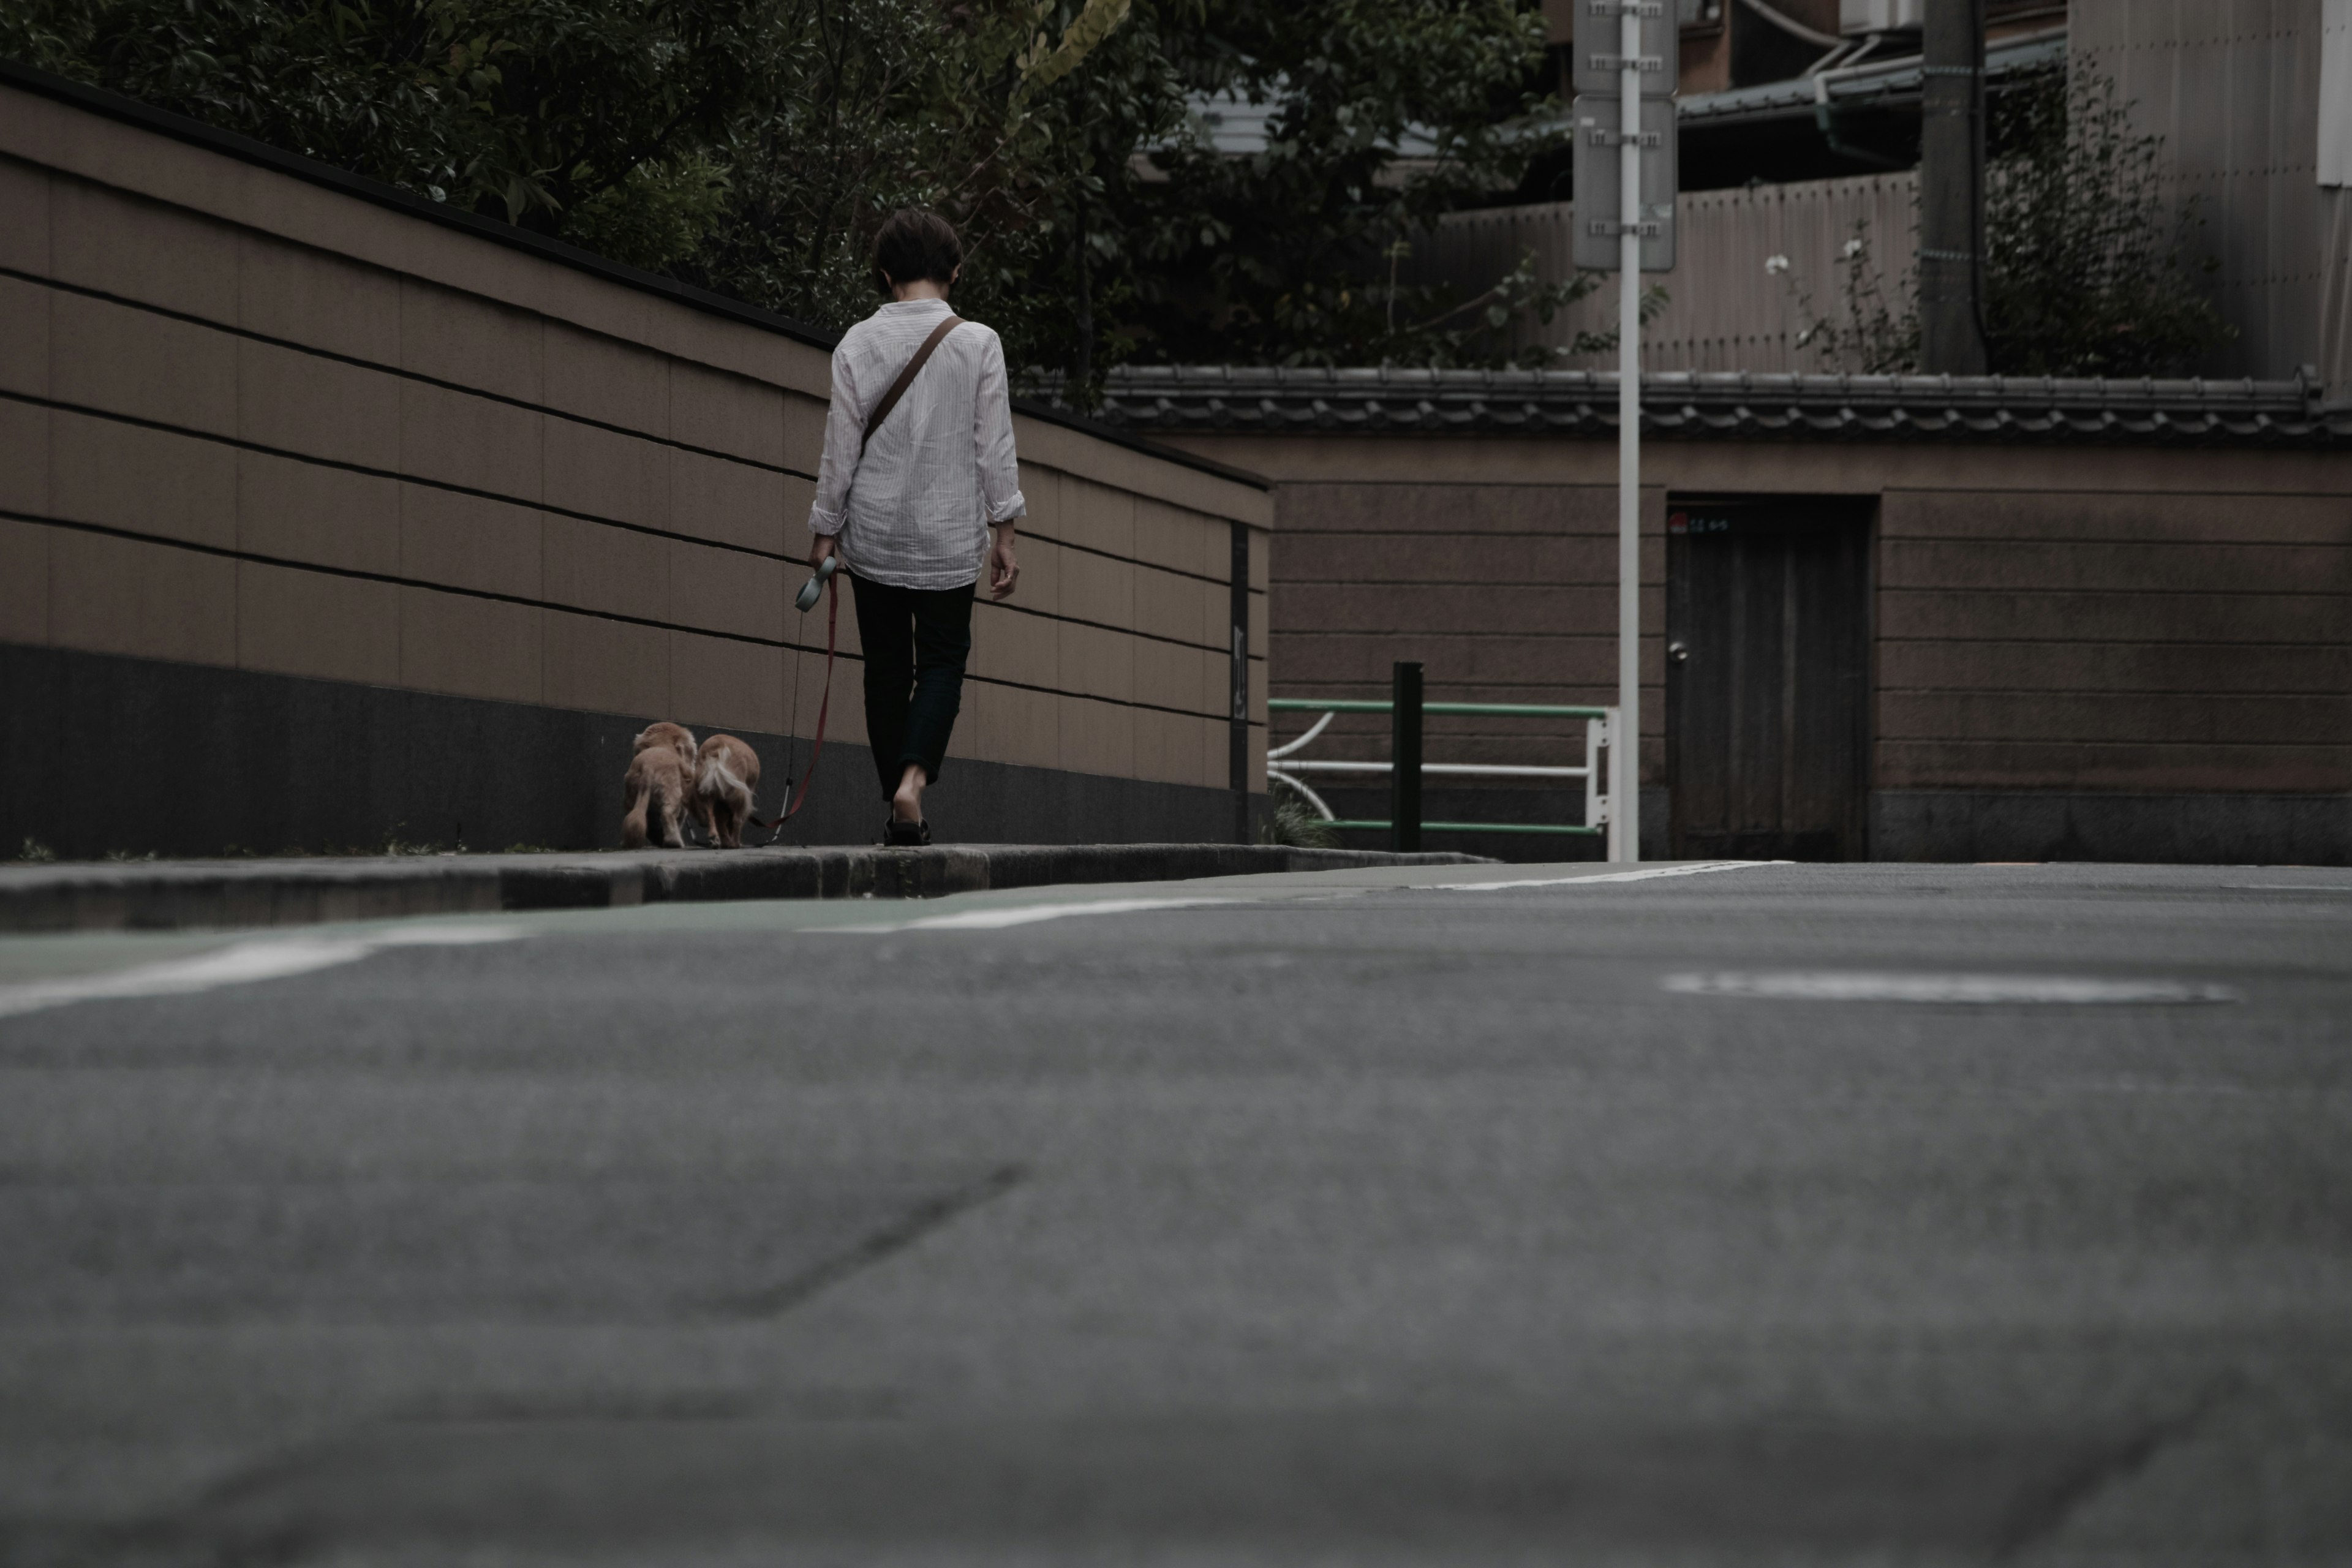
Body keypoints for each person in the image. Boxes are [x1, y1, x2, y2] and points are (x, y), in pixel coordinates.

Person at [807, 209, 1023, 847]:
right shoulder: (979, 342)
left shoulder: (855, 343)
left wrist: (826, 527)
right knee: (942, 664)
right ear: (954, 273)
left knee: (883, 670)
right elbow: (995, 447)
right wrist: (1004, 530)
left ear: (884, 275)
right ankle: (913, 782)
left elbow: (839, 448)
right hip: (950, 536)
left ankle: (893, 797)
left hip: (874, 534)